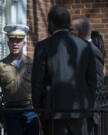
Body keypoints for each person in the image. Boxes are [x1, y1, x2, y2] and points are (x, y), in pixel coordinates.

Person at [32, 6, 97, 135]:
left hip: (53, 110)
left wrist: (38, 106)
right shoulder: (85, 46)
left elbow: (37, 81)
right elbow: (92, 81)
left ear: (51, 23)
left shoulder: (42, 47)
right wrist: (87, 104)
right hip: (79, 110)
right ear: (68, 23)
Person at [0, 24, 40, 135]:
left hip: (30, 110)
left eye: (18, 41)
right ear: (8, 43)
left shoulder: (33, 64)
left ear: (24, 43)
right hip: (10, 111)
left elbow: (40, 86)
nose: (15, 44)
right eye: (12, 40)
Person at [71, 17, 104, 135]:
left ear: (80, 31)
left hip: (85, 113)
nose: (69, 33)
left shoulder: (92, 52)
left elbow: (97, 83)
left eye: (71, 30)